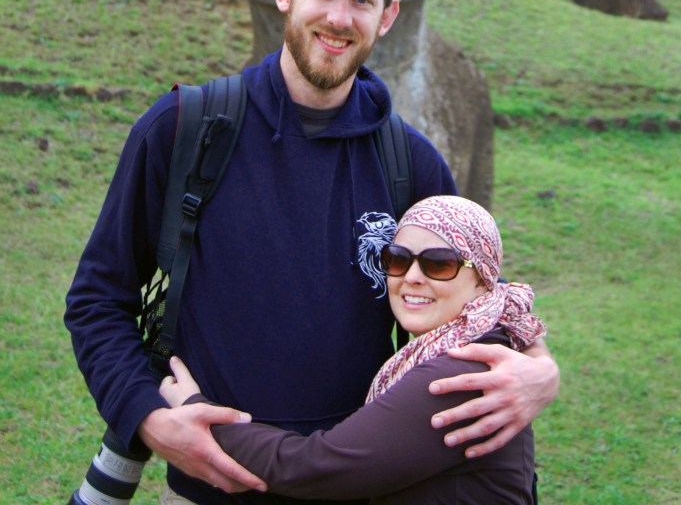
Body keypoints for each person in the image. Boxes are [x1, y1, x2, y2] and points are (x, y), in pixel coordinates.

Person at [65, 0, 559, 505]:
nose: (339, 18)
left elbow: (481, 303)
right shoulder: (183, 131)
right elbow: (98, 299)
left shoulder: (412, 164)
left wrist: (540, 370)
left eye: (362, 0)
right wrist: (147, 417)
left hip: (356, 487)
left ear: (388, 16)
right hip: (206, 489)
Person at [161, 195, 546, 504]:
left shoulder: (462, 371)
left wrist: (200, 415)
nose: (412, 277)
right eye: (398, 259)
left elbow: (317, 467)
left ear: (482, 280)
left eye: (439, 265)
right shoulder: (474, 342)